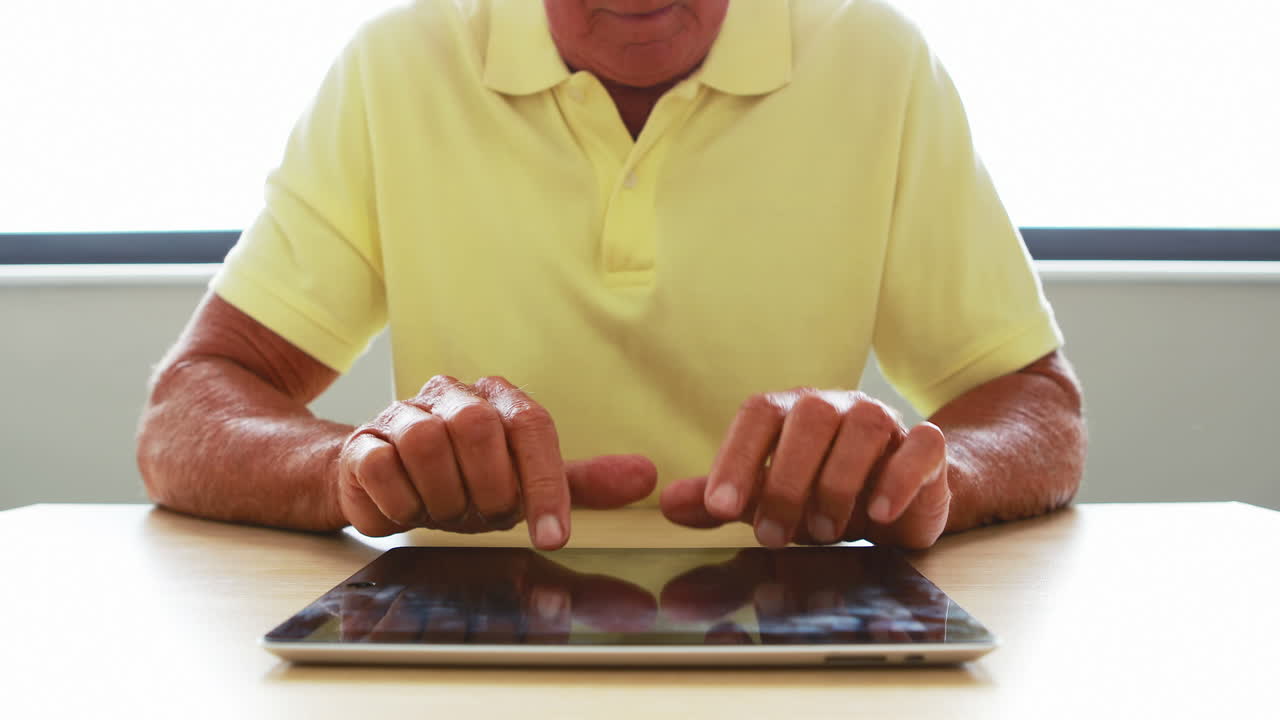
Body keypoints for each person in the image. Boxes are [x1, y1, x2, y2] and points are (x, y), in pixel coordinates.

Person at [137, 0, 1086, 552]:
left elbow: (1035, 405)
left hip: (790, 649)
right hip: (461, 665)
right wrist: (350, 470)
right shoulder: (403, 59)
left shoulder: (875, 58)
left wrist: (931, 475)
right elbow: (187, 410)